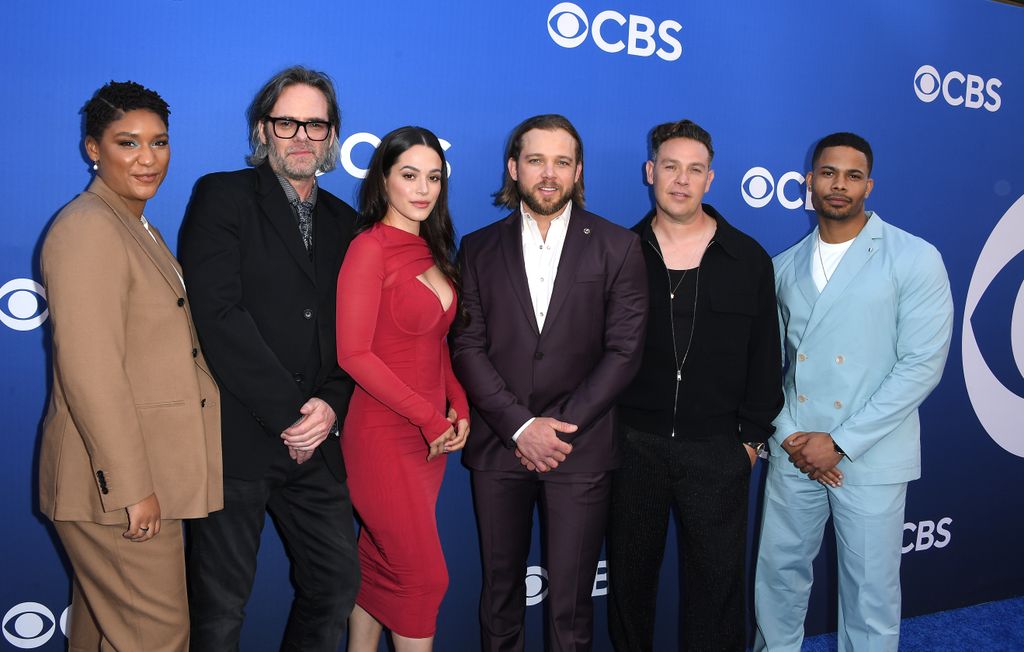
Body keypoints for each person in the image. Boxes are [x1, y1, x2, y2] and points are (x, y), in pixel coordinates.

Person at [451, 114, 648, 652]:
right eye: (536, 160)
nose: (548, 173)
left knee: (570, 608)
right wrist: (519, 427)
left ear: (578, 171)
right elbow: (466, 346)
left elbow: (624, 351)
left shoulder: (617, 246)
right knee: (498, 598)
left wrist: (558, 429)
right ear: (513, 168)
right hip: (499, 446)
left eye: (562, 162)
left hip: (578, 450)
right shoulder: (477, 248)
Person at [179, 66, 360, 652]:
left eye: (316, 123)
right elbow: (218, 317)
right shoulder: (222, 195)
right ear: (264, 130)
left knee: (335, 588)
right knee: (219, 609)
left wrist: (329, 407)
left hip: (319, 443)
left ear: (332, 135)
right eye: (288, 122)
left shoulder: (346, 222)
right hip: (240, 441)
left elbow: (356, 332)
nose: (302, 136)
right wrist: (291, 415)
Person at [38, 81, 222, 652]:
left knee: (103, 637)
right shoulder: (88, 229)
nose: (147, 158)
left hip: (137, 481)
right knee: (156, 639)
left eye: (159, 142)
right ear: (93, 148)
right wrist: (130, 489)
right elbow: (91, 374)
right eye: (127, 143)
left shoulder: (132, 223)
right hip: (119, 492)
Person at [753, 132, 954, 652]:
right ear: (809, 182)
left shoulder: (915, 258)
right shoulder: (781, 267)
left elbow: (921, 365)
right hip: (795, 449)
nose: (838, 185)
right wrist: (791, 435)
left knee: (870, 592)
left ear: (869, 185)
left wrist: (839, 442)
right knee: (778, 577)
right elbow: (761, 368)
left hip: (869, 452)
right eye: (828, 173)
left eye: (852, 175)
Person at [607, 120, 783, 651]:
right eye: (670, 166)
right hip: (633, 444)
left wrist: (750, 441)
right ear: (649, 172)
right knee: (629, 586)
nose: (681, 180)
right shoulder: (619, 252)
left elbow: (765, 357)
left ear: (710, 179)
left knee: (717, 589)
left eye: (694, 169)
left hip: (718, 450)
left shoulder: (748, 257)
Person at [336, 126, 470, 651]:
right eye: (409, 175)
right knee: (423, 578)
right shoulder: (368, 248)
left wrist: (458, 405)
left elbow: (436, 344)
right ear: (383, 179)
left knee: (378, 564)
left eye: (433, 177)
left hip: (428, 441)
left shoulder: (431, 249)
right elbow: (354, 354)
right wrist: (430, 416)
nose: (423, 189)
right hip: (382, 436)